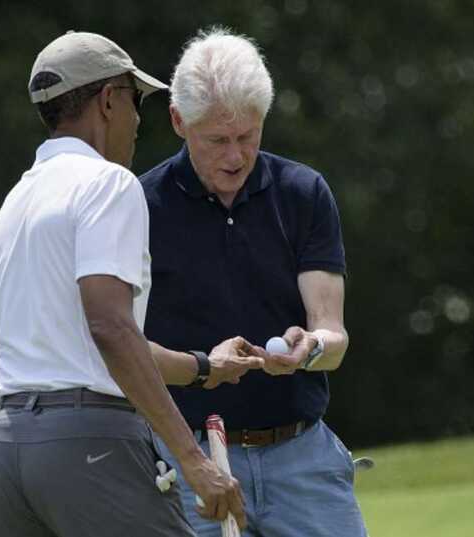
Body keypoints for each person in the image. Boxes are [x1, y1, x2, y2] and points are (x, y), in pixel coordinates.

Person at [0, 31, 264, 537]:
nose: (137, 121)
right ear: (109, 100)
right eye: (136, 102)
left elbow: (91, 343)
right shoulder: (108, 185)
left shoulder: (16, 202)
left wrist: (204, 368)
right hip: (90, 447)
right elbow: (110, 327)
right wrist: (193, 460)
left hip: (7, 450)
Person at [140, 27, 368, 536]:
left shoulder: (303, 193)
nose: (236, 156)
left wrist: (309, 348)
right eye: (218, 140)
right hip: (189, 458)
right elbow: (123, 343)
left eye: (249, 136)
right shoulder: (139, 206)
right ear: (179, 121)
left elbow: (333, 334)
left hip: (302, 456)